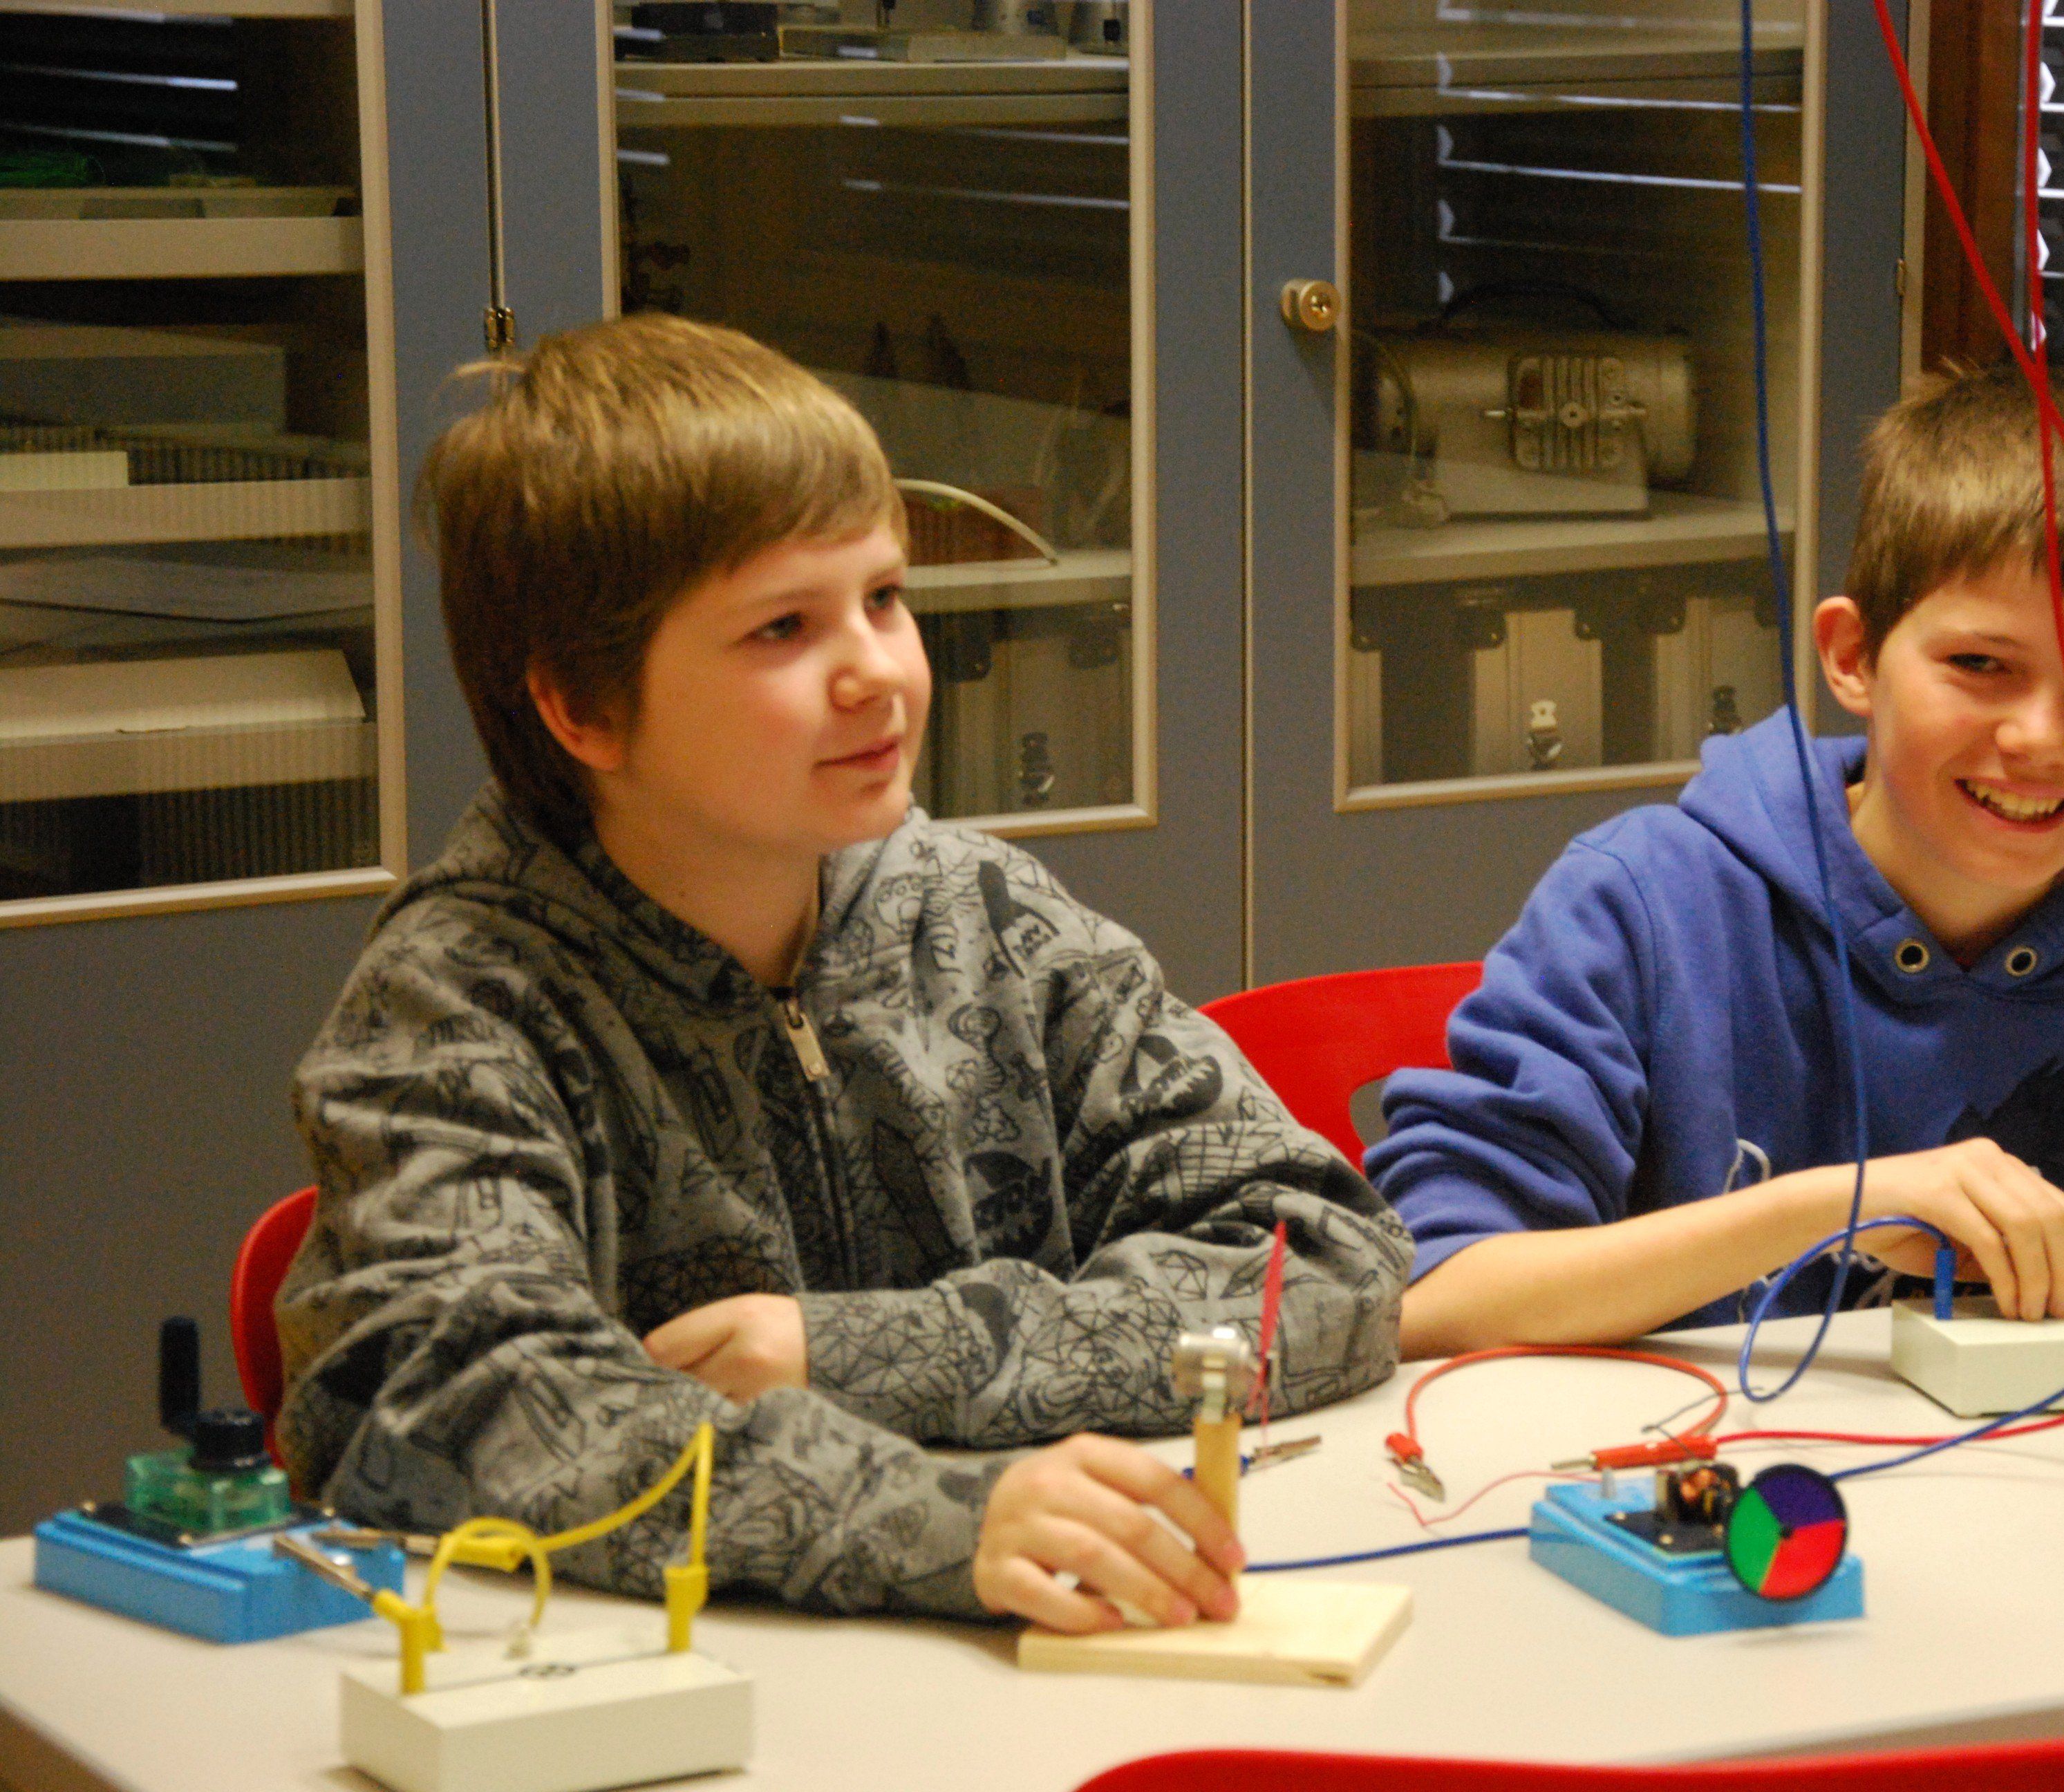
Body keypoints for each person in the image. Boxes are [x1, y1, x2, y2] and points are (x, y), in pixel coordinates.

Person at [276, 315, 1410, 1632]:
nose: (878, 670)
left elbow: (1325, 1261)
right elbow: (460, 1403)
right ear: (583, 708)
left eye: (883, 597)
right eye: (782, 628)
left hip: (1032, 1669)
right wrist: (938, 1520)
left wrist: (850, 1355)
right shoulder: (456, 1007)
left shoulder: (985, 914)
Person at [1371, 363, 2064, 1359]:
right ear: (1853, 658)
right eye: (1981, 665)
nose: (2043, 739)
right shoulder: (1645, 914)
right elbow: (1428, 1298)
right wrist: (1837, 1209)